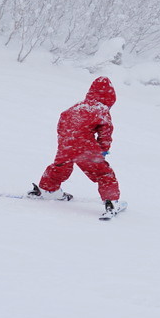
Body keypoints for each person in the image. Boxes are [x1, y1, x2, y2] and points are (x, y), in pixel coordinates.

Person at [29, 77, 123, 216]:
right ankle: (111, 202)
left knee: (60, 167)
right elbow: (106, 131)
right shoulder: (101, 109)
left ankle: (48, 190)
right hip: (85, 147)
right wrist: (103, 149)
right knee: (103, 173)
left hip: (66, 144)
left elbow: (63, 121)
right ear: (109, 99)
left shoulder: (76, 107)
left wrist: (65, 143)